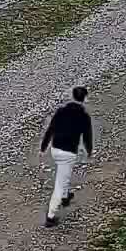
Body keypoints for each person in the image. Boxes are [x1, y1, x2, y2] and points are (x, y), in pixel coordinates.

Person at [39, 86, 93, 227]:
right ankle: (50, 217)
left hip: (55, 148)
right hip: (68, 152)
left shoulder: (61, 111)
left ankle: (65, 195)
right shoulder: (84, 116)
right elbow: (87, 137)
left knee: (64, 173)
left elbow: (51, 128)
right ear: (85, 98)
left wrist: (44, 146)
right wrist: (89, 151)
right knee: (60, 182)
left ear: (73, 96)